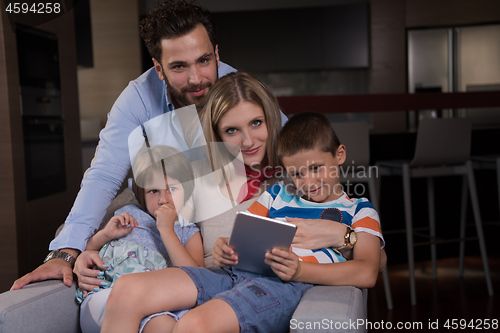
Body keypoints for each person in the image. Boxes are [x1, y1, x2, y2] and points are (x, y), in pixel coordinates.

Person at [10, 0, 236, 290]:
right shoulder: (137, 98)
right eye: (178, 66)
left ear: (216, 55)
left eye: (204, 60)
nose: (196, 78)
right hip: (154, 195)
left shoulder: (239, 87)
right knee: (75, 234)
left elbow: (289, 148)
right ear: (159, 69)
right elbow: (104, 174)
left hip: (218, 191)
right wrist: (64, 252)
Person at [99, 111, 384, 333]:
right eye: (297, 173)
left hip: (282, 285)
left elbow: (367, 273)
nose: (308, 182)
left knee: (193, 325)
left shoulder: (359, 210)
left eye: (316, 168)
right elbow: (242, 236)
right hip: (233, 274)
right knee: (127, 291)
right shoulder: (277, 194)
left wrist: (299, 271)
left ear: (340, 156)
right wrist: (225, 246)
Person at [77, 145, 203, 333]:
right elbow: (89, 249)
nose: (163, 199)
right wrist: (105, 235)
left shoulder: (187, 231)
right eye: (153, 191)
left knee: (168, 326)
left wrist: (167, 230)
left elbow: (197, 279)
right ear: (141, 194)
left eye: (172, 189)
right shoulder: (128, 215)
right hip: (106, 298)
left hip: (158, 306)